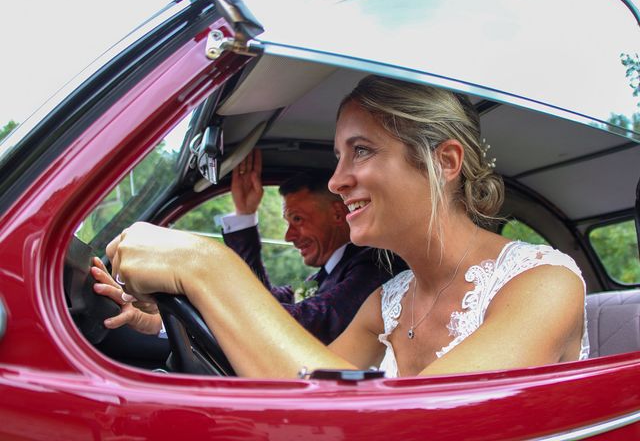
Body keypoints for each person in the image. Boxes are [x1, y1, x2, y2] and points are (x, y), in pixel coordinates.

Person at [105, 75, 589, 379]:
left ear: (444, 161)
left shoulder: (544, 285)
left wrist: (205, 265)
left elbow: (413, 427)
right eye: (339, 157)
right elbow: (303, 377)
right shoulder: (387, 302)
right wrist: (167, 320)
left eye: (361, 150)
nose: (336, 181)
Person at [92, 152, 400, 344]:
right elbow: (262, 299)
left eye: (298, 219)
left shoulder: (372, 268)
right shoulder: (330, 274)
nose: (290, 235)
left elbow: (303, 323)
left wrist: (200, 272)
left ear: (336, 215)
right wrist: (163, 315)